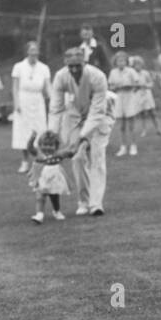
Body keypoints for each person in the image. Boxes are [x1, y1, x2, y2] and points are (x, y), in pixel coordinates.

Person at [48, 48, 110, 216]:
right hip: (75, 116)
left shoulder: (97, 76)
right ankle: (83, 200)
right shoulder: (61, 77)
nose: (74, 69)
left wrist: (83, 137)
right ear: (65, 64)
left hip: (100, 117)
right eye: (71, 66)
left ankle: (96, 204)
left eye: (78, 66)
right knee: (77, 158)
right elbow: (55, 108)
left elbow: (97, 111)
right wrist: (52, 133)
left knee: (97, 158)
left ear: (84, 62)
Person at [11, 41, 51, 173]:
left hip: (38, 100)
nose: (34, 53)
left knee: (40, 130)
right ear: (27, 51)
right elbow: (15, 87)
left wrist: (52, 101)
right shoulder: (18, 67)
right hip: (24, 100)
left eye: (36, 50)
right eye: (31, 50)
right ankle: (24, 161)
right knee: (24, 131)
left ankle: (41, 158)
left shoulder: (44, 68)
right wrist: (16, 103)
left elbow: (47, 88)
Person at [28, 129, 76, 223]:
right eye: (44, 145)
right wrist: (32, 139)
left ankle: (56, 211)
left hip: (55, 179)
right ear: (40, 145)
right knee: (40, 196)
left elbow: (70, 153)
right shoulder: (39, 154)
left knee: (54, 197)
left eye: (51, 145)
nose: (47, 148)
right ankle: (39, 214)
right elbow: (30, 149)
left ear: (56, 146)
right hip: (41, 178)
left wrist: (74, 148)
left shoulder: (59, 154)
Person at [109, 51, 141, 155]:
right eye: (119, 61)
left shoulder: (131, 71)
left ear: (126, 61)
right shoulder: (113, 72)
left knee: (131, 123)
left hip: (130, 97)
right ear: (116, 62)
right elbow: (111, 86)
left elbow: (137, 84)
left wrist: (131, 87)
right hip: (119, 98)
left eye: (123, 61)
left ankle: (133, 145)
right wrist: (117, 87)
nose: (121, 63)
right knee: (121, 124)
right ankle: (123, 146)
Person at [130, 55, 161, 136]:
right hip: (139, 95)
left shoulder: (145, 73)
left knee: (153, 112)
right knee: (142, 113)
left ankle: (158, 128)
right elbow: (132, 86)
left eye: (139, 64)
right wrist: (135, 88)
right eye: (136, 65)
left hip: (147, 94)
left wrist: (146, 85)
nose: (138, 66)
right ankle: (144, 130)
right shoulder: (132, 74)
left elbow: (151, 83)